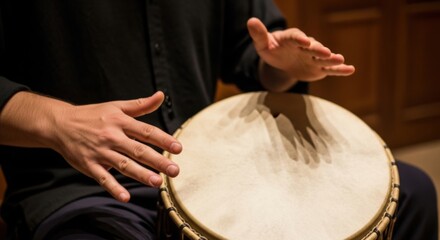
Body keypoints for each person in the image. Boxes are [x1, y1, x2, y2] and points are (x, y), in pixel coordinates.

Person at [0, 1, 436, 239]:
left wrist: (281, 66)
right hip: (79, 186)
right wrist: (56, 120)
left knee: (412, 191)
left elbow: (250, 54)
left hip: (202, 168)